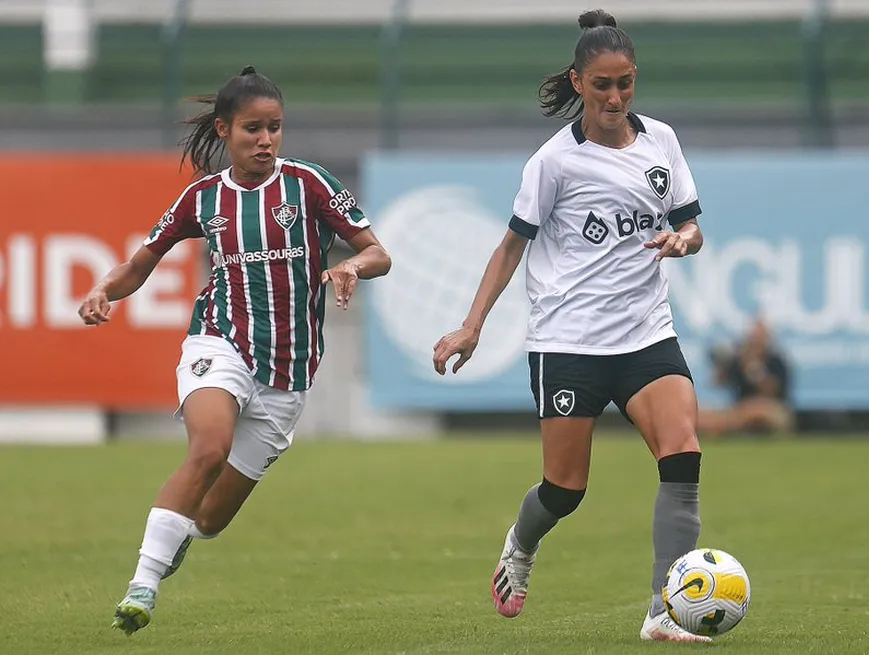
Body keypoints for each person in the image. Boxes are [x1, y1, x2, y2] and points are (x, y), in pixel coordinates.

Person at [78, 66, 391, 635]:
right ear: (225, 130)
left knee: (212, 518)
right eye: (253, 129)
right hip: (220, 340)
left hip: (289, 373)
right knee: (208, 449)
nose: (266, 140)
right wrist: (105, 289)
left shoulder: (310, 185)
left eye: (274, 128)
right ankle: (141, 587)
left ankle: (181, 535)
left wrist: (350, 265)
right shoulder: (204, 197)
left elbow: (378, 252)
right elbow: (141, 262)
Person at [433, 9, 711, 644]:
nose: (616, 97)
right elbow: (510, 248)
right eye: (604, 84)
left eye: (627, 83)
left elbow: (692, 225)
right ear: (579, 83)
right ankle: (521, 546)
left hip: (646, 333)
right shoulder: (554, 162)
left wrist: (682, 241)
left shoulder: (661, 141)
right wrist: (472, 325)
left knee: (684, 454)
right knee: (565, 489)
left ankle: (664, 610)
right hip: (569, 343)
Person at [700, 317, 795, 437]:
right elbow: (717, 382)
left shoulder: (776, 361)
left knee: (755, 410)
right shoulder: (739, 360)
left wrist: (754, 370)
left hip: (773, 409)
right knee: (707, 413)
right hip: (741, 409)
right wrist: (722, 363)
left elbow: (772, 391)